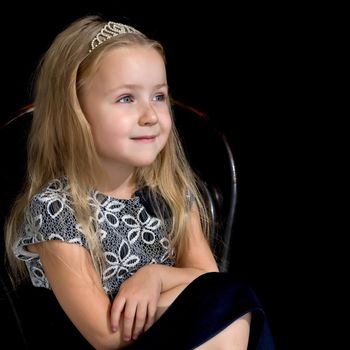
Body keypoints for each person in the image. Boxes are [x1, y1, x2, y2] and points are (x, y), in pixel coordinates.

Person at [4, 15, 275, 349]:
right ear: (74, 112)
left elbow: (209, 279)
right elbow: (106, 335)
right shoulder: (57, 208)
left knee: (228, 300)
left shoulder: (170, 191)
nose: (150, 116)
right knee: (230, 302)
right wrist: (189, 295)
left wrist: (155, 277)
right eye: (127, 98)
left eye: (159, 96)